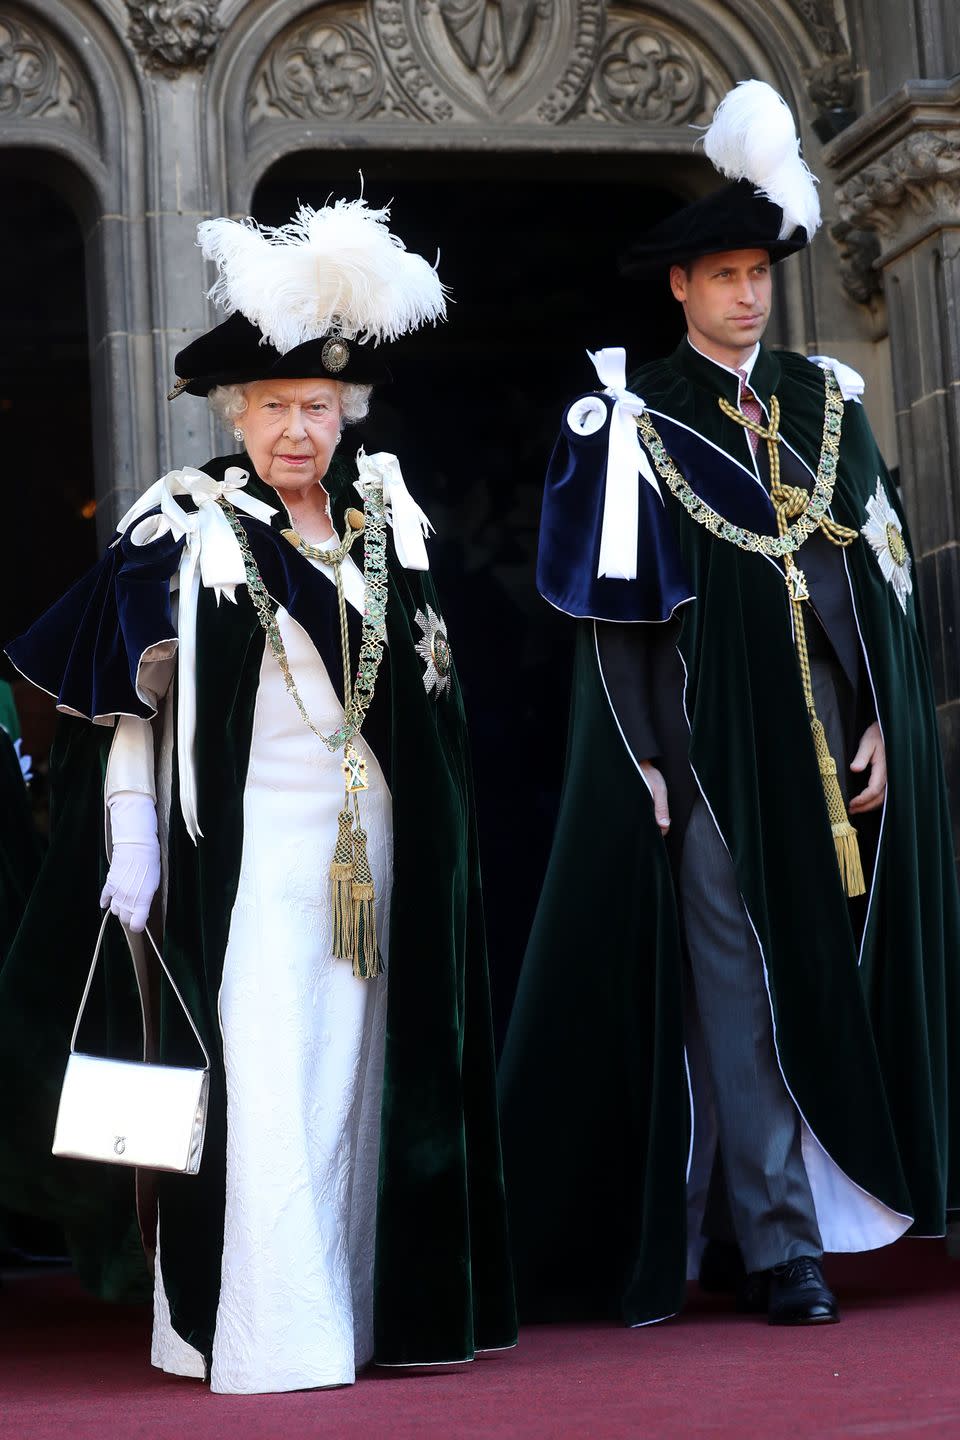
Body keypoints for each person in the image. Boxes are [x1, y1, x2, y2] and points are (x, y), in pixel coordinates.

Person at [1, 197, 516, 1391]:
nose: (299, 430)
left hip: (380, 854)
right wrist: (131, 839)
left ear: (349, 416)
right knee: (269, 1086)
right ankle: (268, 1333)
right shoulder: (187, 528)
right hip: (251, 865)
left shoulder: (390, 526)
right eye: (277, 407)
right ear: (239, 414)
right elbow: (132, 713)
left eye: (319, 409)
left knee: (361, 1086)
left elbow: (433, 703)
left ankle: (358, 1313)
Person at [499, 81, 960, 1329]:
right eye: (720, 275)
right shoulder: (633, 415)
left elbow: (875, 570)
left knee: (833, 971)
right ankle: (779, 1247)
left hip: (826, 728)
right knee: (738, 989)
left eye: (758, 270)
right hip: (704, 741)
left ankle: (821, 1206)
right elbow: (617, 612)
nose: (746, 294)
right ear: (680, 289)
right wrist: (641, 758)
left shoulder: (829, 400)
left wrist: (880, 717)